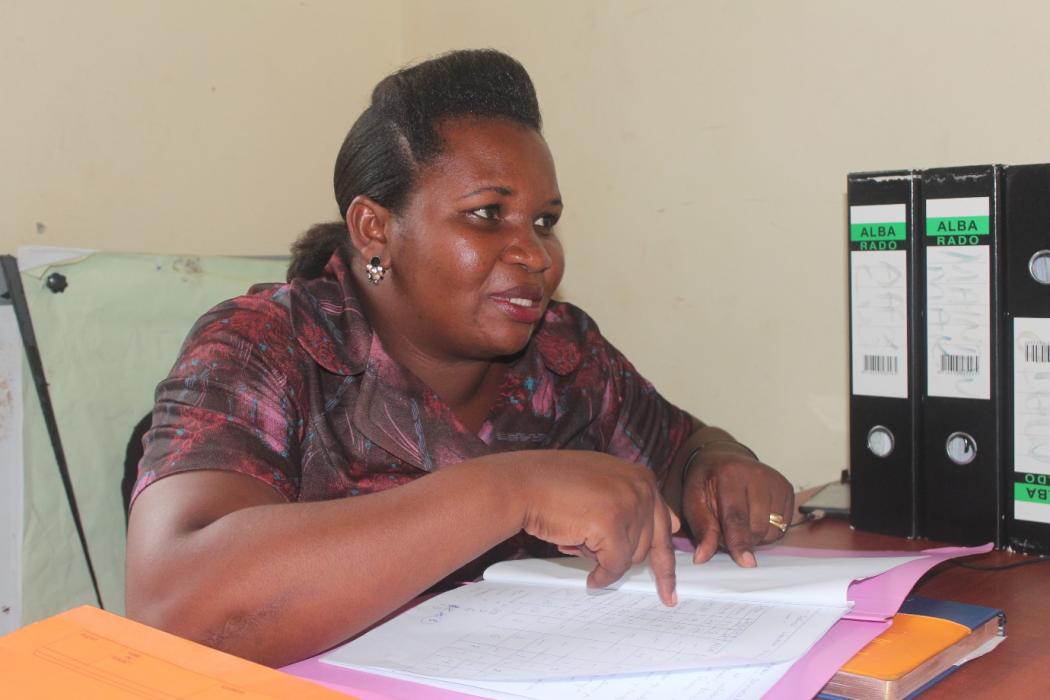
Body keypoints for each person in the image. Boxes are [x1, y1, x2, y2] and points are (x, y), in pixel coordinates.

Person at [125, 49, 794, 668]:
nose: (535, 254)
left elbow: (681, 450)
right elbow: (171, 607)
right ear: (374, 229)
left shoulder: (559, 352)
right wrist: (514, 489)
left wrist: (721, 467)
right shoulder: (264, 346)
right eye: (486, 215)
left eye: (543, 221)